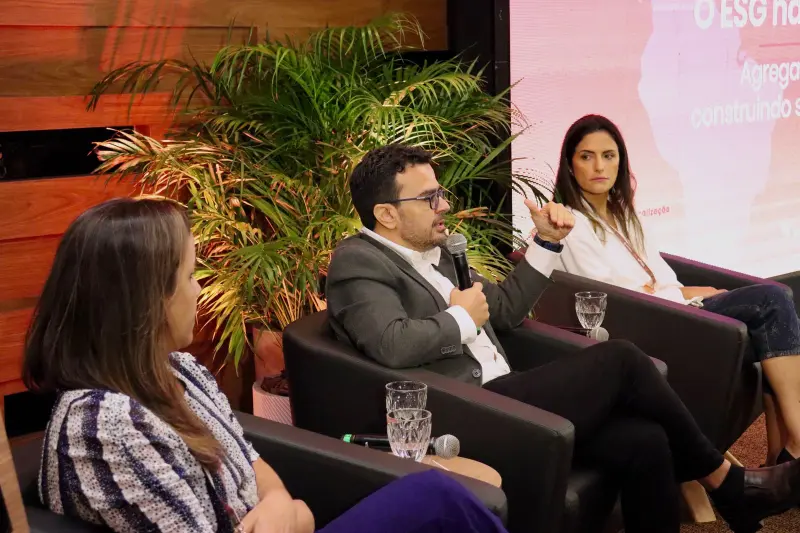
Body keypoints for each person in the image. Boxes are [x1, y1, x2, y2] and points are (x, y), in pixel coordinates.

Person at [325, 143, 800, 533]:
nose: (444, 205)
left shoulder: (440, 250)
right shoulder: (358, 262)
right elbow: (391, 343)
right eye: (429, 198)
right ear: (386, 214)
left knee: (646, 440)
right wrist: (460, 318)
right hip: (464, 409)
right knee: (621, 360)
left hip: (506, 391)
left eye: (440, 193)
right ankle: (727, 483)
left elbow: (505, 309)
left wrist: (547, 241)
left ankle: (730, 492)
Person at [22, 198, 509, 533]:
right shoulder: (107, 424)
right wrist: (293, 514)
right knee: (438, 502)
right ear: (144, 300)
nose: (199, 290)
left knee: (437, 494)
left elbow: (254, 465)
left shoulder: (179, 370)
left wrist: (280, 504)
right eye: (189, 276)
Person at [552, 114, 800, 467]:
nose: (599, 167)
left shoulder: (625, 216)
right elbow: (614, 296)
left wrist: (682, 291)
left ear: (621, 161)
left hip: (675, 307)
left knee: (776, 308)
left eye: (608, 155)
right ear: (569, 164)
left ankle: (782, 457)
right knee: (772, 300)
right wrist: (680, 295)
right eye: (586, 156)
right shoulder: (570, 224)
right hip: (651, 326)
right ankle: (796, 443)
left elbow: (659, 278)